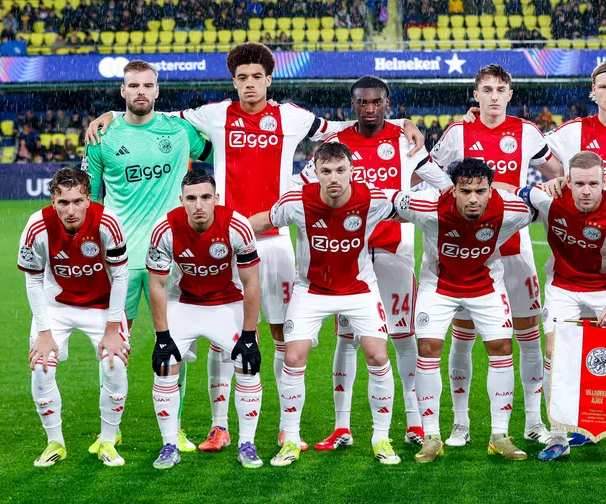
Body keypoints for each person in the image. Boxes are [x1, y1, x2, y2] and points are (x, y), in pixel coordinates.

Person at [85, 42, 424, 451]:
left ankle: (285, 428)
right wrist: (110, 116)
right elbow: (154, 116)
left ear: (269, 80)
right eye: (242, 78)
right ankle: (219, 427)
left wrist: (401, 121)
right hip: (226, 243)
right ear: (234, 82)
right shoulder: (215, 114)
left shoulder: (291, 116)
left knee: (282, 337)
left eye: (257, 77)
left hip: (275, 242)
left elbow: (343, 126)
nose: (250, 84)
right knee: (222, 336)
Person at [295, 76, 452, 451]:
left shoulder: (404, 141)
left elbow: (443, 184)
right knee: (347, 339)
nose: (369, 108)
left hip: (395, 251)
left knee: (403, 338)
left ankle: (415, 423)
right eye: (362, 102)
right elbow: (303, 186)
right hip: (349, 256)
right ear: (352, 105)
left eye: (376, 102)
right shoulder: (336, 144)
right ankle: (342, 427)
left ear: (388, 104)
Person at [81, 59, 213, 455]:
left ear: (158, 90)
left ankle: (176, 429)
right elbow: (90, 200)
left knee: (175, 346)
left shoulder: (179, 130)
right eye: (133, 85)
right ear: (122, 91)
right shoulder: (102, 136)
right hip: (119, 260)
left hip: (171, 259)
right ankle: (109, 431)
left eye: (147, 85)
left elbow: (220, 144)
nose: (141, 91)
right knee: (113, 347)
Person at [430, 64, 563, 447]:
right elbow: (427, 175)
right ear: (476, 94)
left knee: (528, 336)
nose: (493, 96)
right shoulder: (458, 132)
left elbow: (556, 171)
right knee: (464, 336)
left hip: (513, 246)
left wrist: (550, 184)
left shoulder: (527, 131)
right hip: (468, 250)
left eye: (500, 89)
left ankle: (533, 422)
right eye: (486, 89)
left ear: (509, 94)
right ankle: (460, 423)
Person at [249, 141, 402, 467]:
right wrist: (222, 231)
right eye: (327, 171)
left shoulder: (373, 199)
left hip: (359, 288)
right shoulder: (296, 202)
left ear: (352, 171)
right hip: (312, 289)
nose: (334, 177)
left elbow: (412, 209)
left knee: (377, 355)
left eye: (341, 170)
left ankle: (381, 438)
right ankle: (290, 439)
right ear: (315, 172)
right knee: (293, 356)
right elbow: (263, 221)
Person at [389, 158, 537, 462]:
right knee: (428, 348)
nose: (473, 199)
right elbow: (386, 199)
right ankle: (431, 435)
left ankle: (500, 435)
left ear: (491, 190)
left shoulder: (512, 210)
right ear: (452, 190)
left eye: (480, 191)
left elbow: (543, 206)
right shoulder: (427, 207)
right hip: (439, 286)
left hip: (486, 284)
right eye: (465, 191)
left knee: (502, 347)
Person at [511, 152, 606, 461]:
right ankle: (558, 437)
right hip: (563, 285)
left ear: (604, 183)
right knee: (554, 352)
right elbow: (512, 192)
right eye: (580, 184)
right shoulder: (548, 199)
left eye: (593, 184)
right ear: (568, 182)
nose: (586, 191)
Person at [146, 170, 264, 469]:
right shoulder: (164, 229)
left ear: (216, 199)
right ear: (181, 200)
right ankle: (169, 445)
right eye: (191, 198)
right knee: (164, 364)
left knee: (248, 363)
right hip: (184, 302)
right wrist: (162, 337)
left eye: (205, 197)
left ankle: (247, 443)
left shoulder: (237, 226)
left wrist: (249, 333)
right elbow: (157, 286)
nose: (198, 205)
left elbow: (251, 283)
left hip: (226, 302)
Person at [17, 167, 130, 467]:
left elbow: (121, 276)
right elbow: (33, 281)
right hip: (57, 305)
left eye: (78, 201)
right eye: (63, 202)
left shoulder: (108, 222)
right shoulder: (37, 226)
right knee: (41, 366)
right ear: (53, 201)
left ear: (89, 200)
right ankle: (55, 442)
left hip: (102, 305)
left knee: (115, 363)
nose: (71, 210)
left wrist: (112, 330)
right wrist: (44, 333)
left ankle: (108, 440)